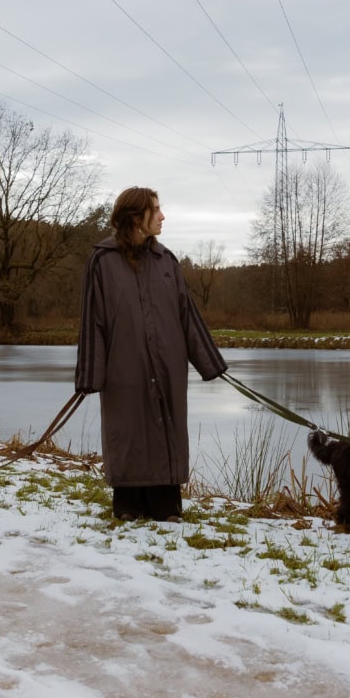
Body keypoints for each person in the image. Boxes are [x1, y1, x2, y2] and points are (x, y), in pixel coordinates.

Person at [75, 187, 228, 521]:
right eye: (155, 210)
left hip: (169, 367)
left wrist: (212, 363)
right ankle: (128, 505)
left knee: (167, 429)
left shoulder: (166, 261)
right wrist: (90, 375)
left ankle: (166, 506)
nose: (162, 216)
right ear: (135, 217)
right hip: (123, 368)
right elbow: (92, 320)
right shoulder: (102, 261)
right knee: (128, 430)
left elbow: (188, 317)